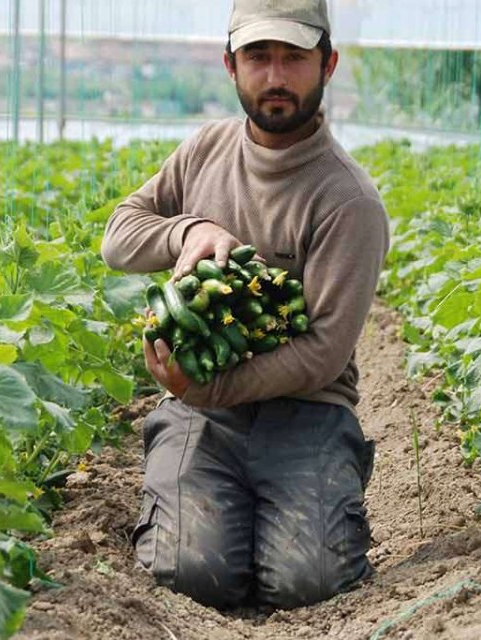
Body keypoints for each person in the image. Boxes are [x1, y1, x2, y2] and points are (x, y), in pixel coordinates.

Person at [100, 0, 389, 610]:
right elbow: (119, 237)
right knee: (187, 573)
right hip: (204, 420)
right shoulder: (204, 151)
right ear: (230, 66)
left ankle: (311, 501)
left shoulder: (348, 200)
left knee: (307, 584)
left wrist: (205, 388)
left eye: (294, 58)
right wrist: (187, 233)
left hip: (306, 412)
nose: (276, 76)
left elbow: (322, 353)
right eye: (259, 56)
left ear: (328, 65)